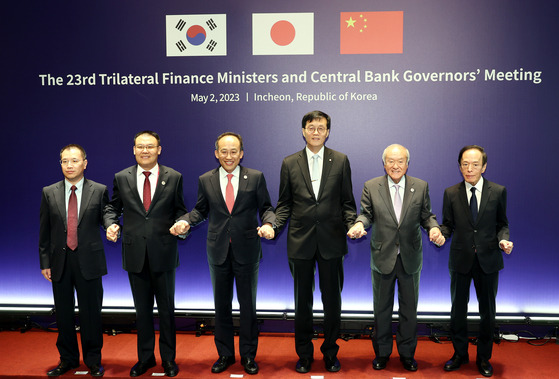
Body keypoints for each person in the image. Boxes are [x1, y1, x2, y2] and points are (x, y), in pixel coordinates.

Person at [169, 132, 275, 375]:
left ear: (241, 153)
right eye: (224, 152)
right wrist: (185, 221)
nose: (229, 156)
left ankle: (248, 355)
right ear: (216, 153)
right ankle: (225, 354)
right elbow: (199, 211)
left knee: (248, 306)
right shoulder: (206, 179)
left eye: (234, 151)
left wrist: (269, 224)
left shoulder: (256, 177)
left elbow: (267, 208)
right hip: (217, 251)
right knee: (221, 306)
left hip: (247, 250)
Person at [347, 144, 445, 372]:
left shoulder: (420, 186)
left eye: (400, 161)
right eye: (391, 161)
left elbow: (426, 215)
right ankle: (382, 353)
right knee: (381, 310)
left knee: (409, 311)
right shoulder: (372, 186)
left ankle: (407, 355)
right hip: (383, 257)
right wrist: (360, 224)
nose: (395, 165)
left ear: (407, 164)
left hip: (410, 257)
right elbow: (366, 213)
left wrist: (433, 229)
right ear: (384, 164)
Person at [274, 110, 357, 373]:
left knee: (332, 301)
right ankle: (305, 355)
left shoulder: (341, 160)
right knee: (302, 303)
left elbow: (347, 202)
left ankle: (331, 352)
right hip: (300, 242)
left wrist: (353, 223)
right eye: (311, 127)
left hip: (332, 242)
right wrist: (273, 224)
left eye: (321, 128)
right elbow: (284, 204)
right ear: (303, 131)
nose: (316, 132)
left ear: (328, 132)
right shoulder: (289, 163)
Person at [104, 131, 187, 377]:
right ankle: (146, 359)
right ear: (133, 149)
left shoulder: (174, 177)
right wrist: (110, 223)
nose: (145, 150)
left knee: (166, 312)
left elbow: (181, 210)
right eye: (140, 146)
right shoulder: (122, 177)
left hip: (164, 252)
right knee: (142, 312)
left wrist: (182, 224)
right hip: (135, 254)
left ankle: (169, 360)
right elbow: (112, 207)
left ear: (159, 149)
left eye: (150, 146)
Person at [440, 145, 513, 378]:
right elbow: (448, 225)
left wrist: (504, 240)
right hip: (460, 260)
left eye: (474, 164)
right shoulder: (451, 193)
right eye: (464, 164)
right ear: (459, 165)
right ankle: (459, 354)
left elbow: (502, 224)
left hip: (488, 260)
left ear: (484, 166)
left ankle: (484, 358)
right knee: (457, 312)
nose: (469, 169)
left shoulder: (498, 191)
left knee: (487, 313)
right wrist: (440, 234)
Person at [39, 144, 108, 377]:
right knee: (64, 315)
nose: (69, 165)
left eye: (74, 161)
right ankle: (67, 359)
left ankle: (93, 361)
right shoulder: (49, 192)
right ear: (60, 164)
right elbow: (44, 230)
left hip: (89, 260)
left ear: (84, 163)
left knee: (91, 314)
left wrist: (112, 227)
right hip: (60, 261)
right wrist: (44, 261)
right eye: (65, 161)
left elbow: (106, 218)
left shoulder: (99, 190)